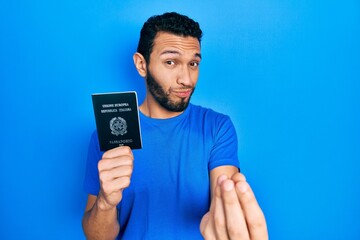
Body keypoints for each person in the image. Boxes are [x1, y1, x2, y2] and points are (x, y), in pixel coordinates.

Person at [82, 12, 268, 239]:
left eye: (193, 63)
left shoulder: (217, 127)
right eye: (171, 62)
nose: (187, 79)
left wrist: (230, 212)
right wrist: (105, 202)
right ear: (142, 64)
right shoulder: (108, 134)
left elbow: (225, 204)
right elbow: (96, 236)